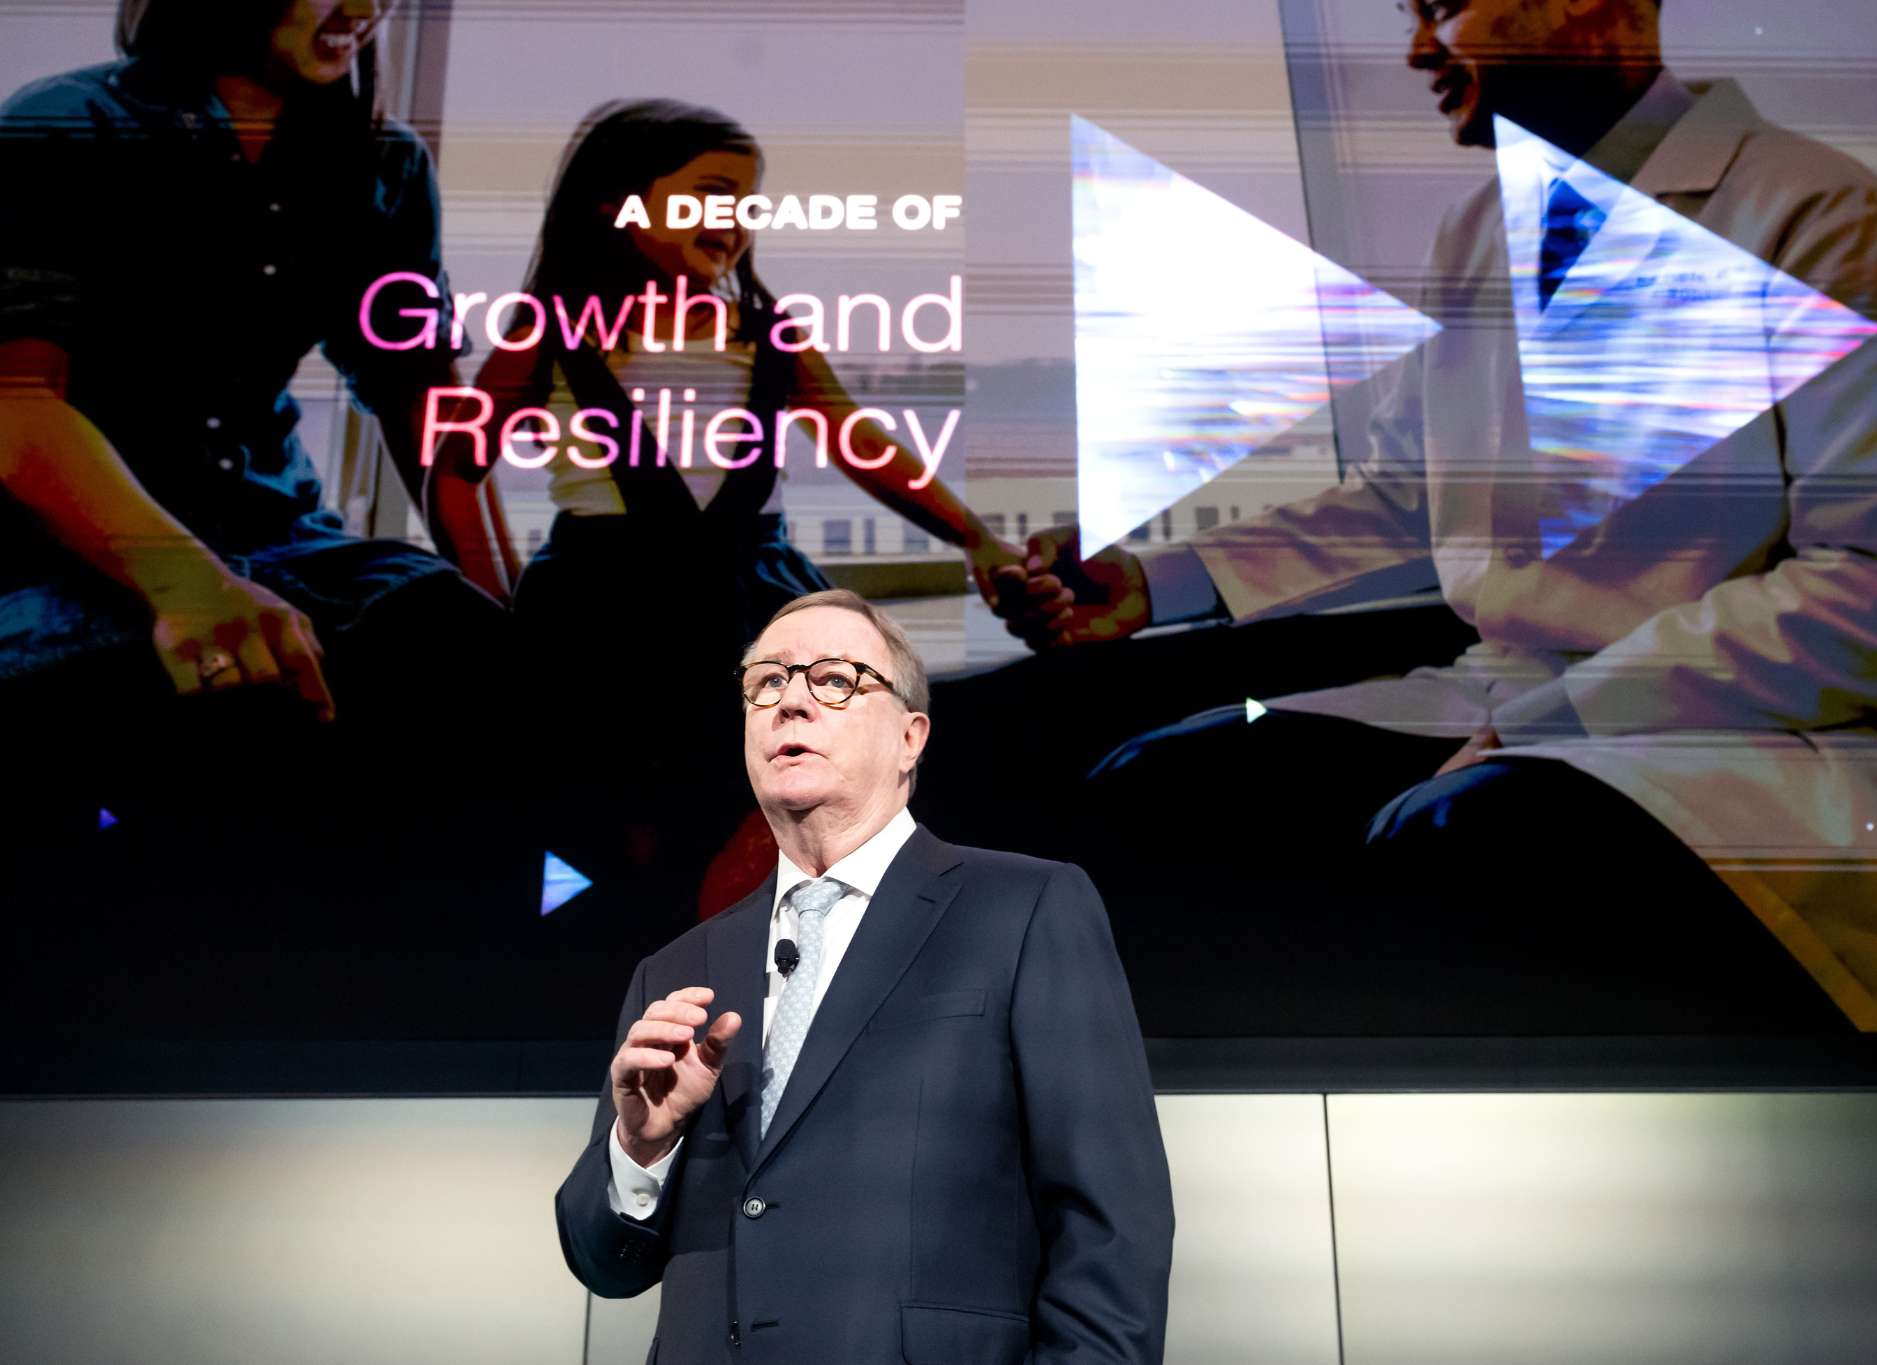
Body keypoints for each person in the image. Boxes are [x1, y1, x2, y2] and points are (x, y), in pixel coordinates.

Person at [988, 0, 1877, 1037]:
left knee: (1464, 839)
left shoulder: (1831, 228)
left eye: (1444, 5)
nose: (1415, 50)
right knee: (1163, 790)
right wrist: (1156, 584)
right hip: (1521, 699)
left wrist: (1562, 715)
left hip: (1803, 738)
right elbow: (1413, 498)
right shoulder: (1478, 232)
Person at [0, 0, 522, 1032]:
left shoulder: (383, 164)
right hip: (66, 550)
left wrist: (509, 618)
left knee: (466, 665)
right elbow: (19, 411)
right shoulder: (64, 129)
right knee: (213, 726)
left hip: (280, 536)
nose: (366, 9)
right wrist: (189, 587)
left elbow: (422, 399)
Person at [554, 588, 1174, 1364]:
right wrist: (641, 1147)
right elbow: (602, 1261)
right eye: (767, 683)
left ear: (911, 735)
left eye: (834, 680)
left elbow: (1112, 1225)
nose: (791, 704)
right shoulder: (677, 970)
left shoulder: (1025, 909)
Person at [432, 100, 1019, 909]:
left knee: (788, 770)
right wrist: (488, 601)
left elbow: (862, 443)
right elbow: (457, 468)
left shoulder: (765, 330)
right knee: (625, 797)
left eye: (746, 204)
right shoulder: (554, 327)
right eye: (710, 193)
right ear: (616, 200)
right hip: (605, 593)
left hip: (754, 586)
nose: (734, 220)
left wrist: (977, 539)